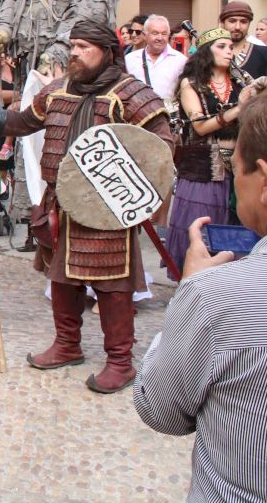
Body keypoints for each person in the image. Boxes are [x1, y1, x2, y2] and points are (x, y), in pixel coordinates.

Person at [0, 22, 173, 393]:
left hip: (108, 211)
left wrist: (134, 192)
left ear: (108, 52)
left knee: (113, 286)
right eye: (73, 45)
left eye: (84, 46)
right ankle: (67, 345)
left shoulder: (131, 93)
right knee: (62, 280)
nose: (75, 52)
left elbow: (161, 149)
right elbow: (20, 123)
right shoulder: (57, 91)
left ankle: (120, 362)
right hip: (61, 206)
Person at [134, 93, 267, 503]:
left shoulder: (215, 297)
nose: (234, 179)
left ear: (263, 179)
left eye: (235, 167)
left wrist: (191, 292)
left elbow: (161, 409)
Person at [0, 0, 120, 227]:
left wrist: (62, 48)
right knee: (31, 128)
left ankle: (71, 207)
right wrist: (2, 27)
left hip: (71, 66)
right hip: (29, 62)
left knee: (67, 130)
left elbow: (90, 7)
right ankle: (33, 211)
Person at [164, 28, 246, 280]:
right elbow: (200, 126)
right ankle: (193, 282)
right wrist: (240, 108)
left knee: (234, 226)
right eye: (221, 46)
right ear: (205, 52)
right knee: (202, 224)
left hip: (238, 165)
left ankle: (227, 284)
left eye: (230, 47)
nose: (229, 51)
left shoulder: (240, 82)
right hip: (203, 166)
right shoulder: (191, 84)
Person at [125, 14, 187, 108]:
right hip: (136, 114)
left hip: (168, 115)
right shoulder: (130, 59)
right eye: (155, 33)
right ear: (145, 35)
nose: (160, 38)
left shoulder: (181, 60)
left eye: (164, 34)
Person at [219, 0, 267, 80]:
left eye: (243, 22)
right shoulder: (209, 53)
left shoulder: (264, 53)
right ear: (223, 23)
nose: (237, 27)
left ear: (249, 24)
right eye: (232, 21)